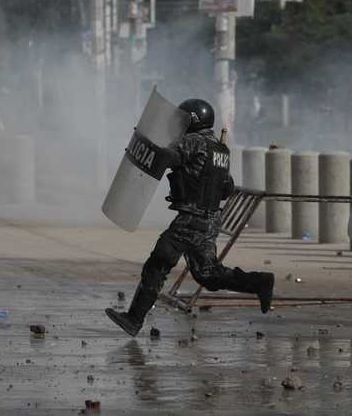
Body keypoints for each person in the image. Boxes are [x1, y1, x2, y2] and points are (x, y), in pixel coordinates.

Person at [106, 99, 275, 337]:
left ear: (193, 120)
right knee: (208, 274)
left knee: (159, 263)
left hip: (191, 219)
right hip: (210, 221)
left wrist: (145, 145)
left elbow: (168, 159)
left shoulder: (193, 141)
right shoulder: (220, 150)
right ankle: (259, 282)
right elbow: (227, 187)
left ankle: (134, 319)